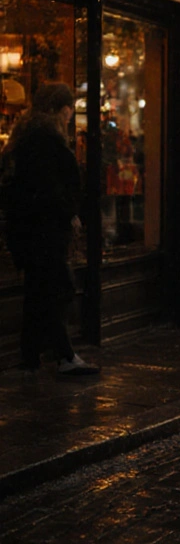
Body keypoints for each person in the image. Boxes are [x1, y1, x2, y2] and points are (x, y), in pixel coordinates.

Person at [2, 82, 98, 376]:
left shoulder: (29, 136)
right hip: (43, 229)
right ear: (59, 108)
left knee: (38, 289)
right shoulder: (45, 139)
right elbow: (49, 187)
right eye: (69, 108)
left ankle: (31, 356)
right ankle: (64, 355)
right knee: (56, 288)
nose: (71, 114)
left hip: (29, 228)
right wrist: (68, 213)